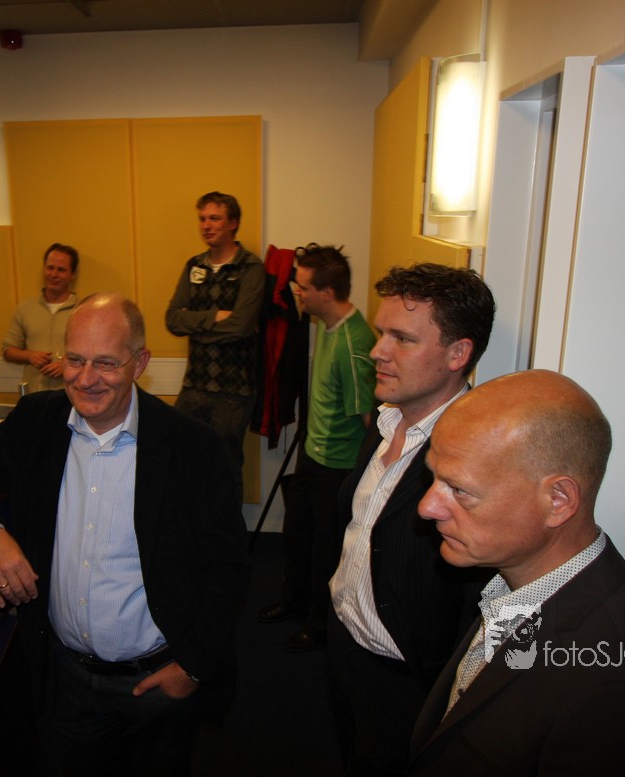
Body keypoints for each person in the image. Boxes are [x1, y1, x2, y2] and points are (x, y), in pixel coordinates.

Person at [0, 293, 248, 776]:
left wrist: (191, 668)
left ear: (140, 363)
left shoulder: (194, 447)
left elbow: (227, 568)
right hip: (65, 681)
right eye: (75, 360)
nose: (84, 378)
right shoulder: (38, 421)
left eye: (105, 363)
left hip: (156, 684)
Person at [407, 370, 625, 775]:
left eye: (460, 489)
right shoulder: (510, 588)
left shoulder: (621, 692)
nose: (427, 507)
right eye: (433, 477)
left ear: (558, 501)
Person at [326, 263, 496, 776]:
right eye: (382, 333)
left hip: (408, 683)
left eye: (402, 338)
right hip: (346, 647)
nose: (378, 351)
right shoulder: (387, 418)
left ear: (457, 354)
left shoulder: (481, 457)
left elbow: (480, 601)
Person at [257, 244, 376, 653]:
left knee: (327, 549)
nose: (296, 292)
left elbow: (370, 421)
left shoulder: (354, 343)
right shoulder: (324, 326)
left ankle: (320, 625)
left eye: (304, 287)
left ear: (327, 292)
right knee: (297, 535)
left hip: (337, 467)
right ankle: (294, 600)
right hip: (313, 452)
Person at [165, 191, 265, 507]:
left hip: (233, 392)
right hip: (194, 385)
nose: (206, 226)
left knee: (225, 467)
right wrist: (213, 317)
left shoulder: (251, 267)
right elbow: (172, 320)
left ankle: (228, 534)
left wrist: (196, 326)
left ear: (232, 223)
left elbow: (241, 326)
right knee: (182, 460)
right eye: (202, 219)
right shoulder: (194, 265)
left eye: (214, 219)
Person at [2, 242, 79, 393]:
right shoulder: (25, 309)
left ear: (72, 274)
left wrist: (68, 364)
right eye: (50, 268)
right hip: (34, 394)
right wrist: (29, 356)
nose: (54, 274)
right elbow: (8, 350)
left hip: (71, 394)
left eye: (61, 270)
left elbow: (94, 353)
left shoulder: (83, 311)